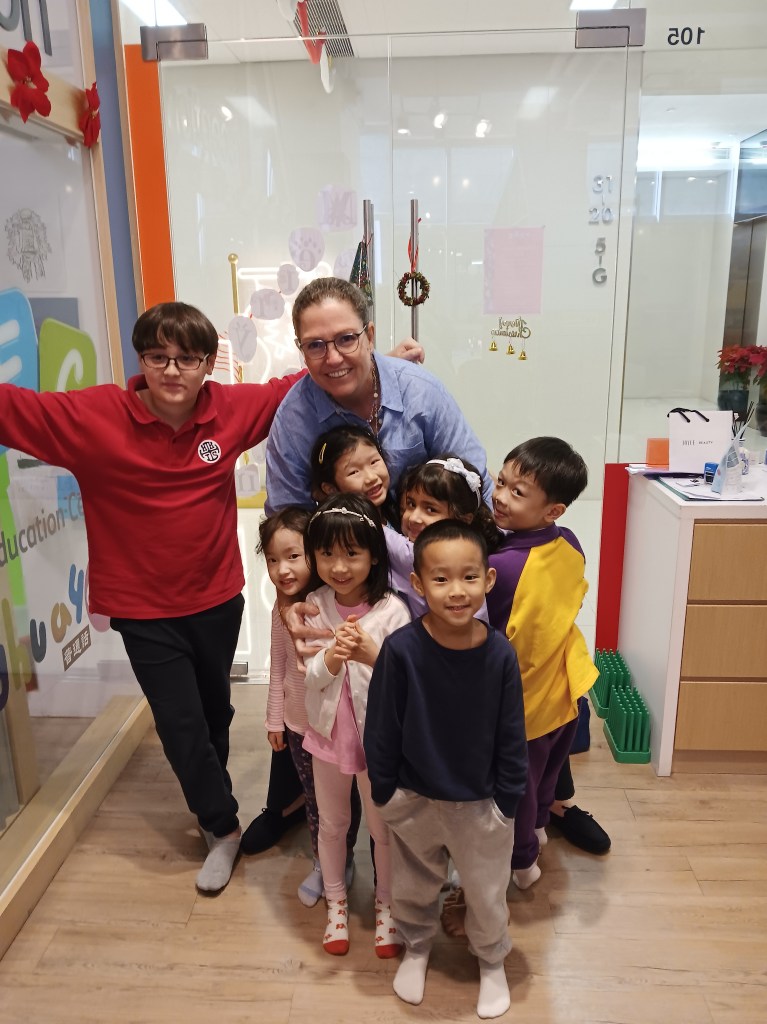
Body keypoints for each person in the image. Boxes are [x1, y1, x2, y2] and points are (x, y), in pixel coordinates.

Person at [0, 301, 305, 893]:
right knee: (180, 723)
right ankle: (221, 826)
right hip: (142, 610)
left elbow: (291, 387)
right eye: (157, 356)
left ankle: (211, 795)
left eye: (187, 359)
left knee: (214, 713)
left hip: (217, 599)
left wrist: (386, 365)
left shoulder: (229, 410)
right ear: (141, 360)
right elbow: (12, 409)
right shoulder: (93, 417)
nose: (171, 370)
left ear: (208, 363)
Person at [244, 275, 491, 851]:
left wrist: (448, 573)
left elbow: (471, 479)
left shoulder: (420, 392)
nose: (332, 357)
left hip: (424, 577)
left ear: (370, 334)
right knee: (314, 685)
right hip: (344, 581)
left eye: (346, 339)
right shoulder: (295, 418)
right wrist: (293, 603)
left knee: (435, 696)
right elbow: (288, 520)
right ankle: (298, 803)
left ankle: (455, 819)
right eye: (315, 345)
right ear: (300, 349)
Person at [364, 520, 528, 1018]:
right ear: (417, 583)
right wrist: (385, 791)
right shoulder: (401, 651)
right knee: (414, 884)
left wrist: (507, 801)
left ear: (488, 580)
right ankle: (416, 947)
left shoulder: (500, 654)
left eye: (469, 577)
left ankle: (492, 960)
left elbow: (512, 734)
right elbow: (382, 727)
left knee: (486, 890)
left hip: (482, 804)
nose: (456, 591)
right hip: (414, 797)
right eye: (441, 578)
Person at [487, 437, 600, 889]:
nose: (500, 496)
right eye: (500, 482)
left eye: (517, 492)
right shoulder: (570, 543)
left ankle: (523, 865)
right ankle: (538, 830)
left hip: (525, 707)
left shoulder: (500, 568)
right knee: (547, 775)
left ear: (553, 510)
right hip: (567, 693)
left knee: (517, 787)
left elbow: (488, 635)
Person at [301, 493, 411, 956]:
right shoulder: (314, 604)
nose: (339, 566)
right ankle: (337, 904)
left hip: (379, 743)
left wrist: (371, 654)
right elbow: (309, 677)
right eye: (326, 553)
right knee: (332, 824)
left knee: (383, 828)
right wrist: (331, 657)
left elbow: (407, 680)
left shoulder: (393, 610)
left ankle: (386, 905)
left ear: (374, 555)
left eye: (351, 553)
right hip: (328, 739)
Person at [257, 506, 361, 906]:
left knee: (346, 800)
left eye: (293, 556)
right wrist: (274, 719)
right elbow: (278, 665)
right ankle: (324, 863)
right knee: (316, 801)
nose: (282, 569)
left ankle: (344, 857)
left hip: (336, 725)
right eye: (272, 559)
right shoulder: (280, 609)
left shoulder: (330, 603)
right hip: (299, 725)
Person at [387, 454, 499, 614]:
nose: (414, 517)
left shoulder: (414, 555)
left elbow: (376, 530)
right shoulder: (474, 547)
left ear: (463, 520)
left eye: (430, 509)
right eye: (411, 504)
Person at [309, 423, 397, 525]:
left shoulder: (398, 513)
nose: (371, 477)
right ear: (331, 489)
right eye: (354, 472)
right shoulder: (346, 532)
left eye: (374, 462)